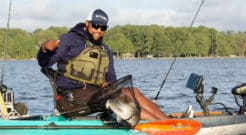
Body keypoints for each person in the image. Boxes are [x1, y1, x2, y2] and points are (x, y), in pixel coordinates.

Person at [37, 9, 168, 120]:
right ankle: (162, 126)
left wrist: (108, 85)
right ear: (87, 24)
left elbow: (112, 81)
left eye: (103, 27)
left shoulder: (104, 49)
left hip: (95, 95)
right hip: (71, 98)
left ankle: (168, 122)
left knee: (132, 92)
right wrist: (44, 49)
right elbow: (45, 62)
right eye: (95, 25)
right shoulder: (69, 40)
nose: (98, 30)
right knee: (119, 101)